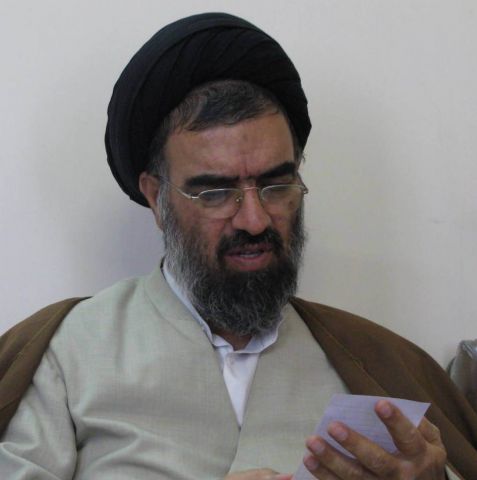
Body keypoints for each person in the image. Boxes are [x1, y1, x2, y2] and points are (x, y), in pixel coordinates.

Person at [0, 12, 476, 480]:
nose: (254, 219)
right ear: (157, 198)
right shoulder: (67, 352)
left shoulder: (378, 364)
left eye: (275, 185)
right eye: (215, 192)